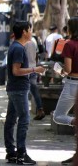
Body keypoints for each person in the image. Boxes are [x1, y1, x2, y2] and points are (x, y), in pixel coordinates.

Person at [4, 21, 45, 165]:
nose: (31, 32)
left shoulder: (16, 46)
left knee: (11, 120)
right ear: (24, 31)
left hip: (15, 88)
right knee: (24, 120)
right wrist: (35, 70)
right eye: (29, 29)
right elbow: (16, 71)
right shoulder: (18, 49)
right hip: (19, 89)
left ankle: (11, 152)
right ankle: (21, 153)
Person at [52, 17, 78, 165]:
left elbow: (67, 69)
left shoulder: (69, 45)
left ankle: (75, 122)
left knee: (59, 116)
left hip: (72, 85)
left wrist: (60, 71)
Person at [25, 37, 45, 120]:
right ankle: (40, 110)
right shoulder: (33, 41)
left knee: (23, 92)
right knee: (34, 90)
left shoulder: (23, 43)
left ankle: (22, 113)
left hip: (26, 70)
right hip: (33, 68)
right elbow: (36, 55)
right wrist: (35, 65)